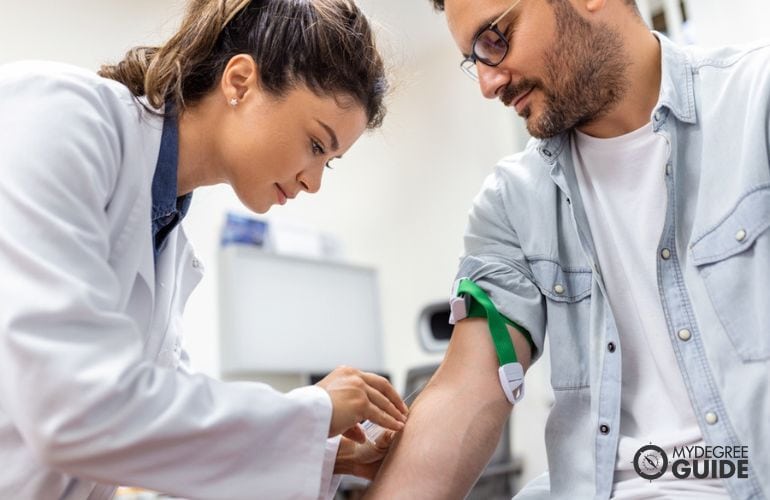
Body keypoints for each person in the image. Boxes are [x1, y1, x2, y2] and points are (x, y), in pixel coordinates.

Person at [0, 0, 409, 498]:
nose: (314, 182)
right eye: (317, 145)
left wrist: (326, 451)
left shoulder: (167, 238)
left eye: (331, 162)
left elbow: (151, 430)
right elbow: (74, 408)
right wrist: (312, 411)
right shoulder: (62, 115)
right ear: (240, 81)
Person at [365, 0, 770, 499]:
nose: (488, 84)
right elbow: (464, 392)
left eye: (495, 38)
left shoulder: (756, 103)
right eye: (475, 59)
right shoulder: (511, 204)